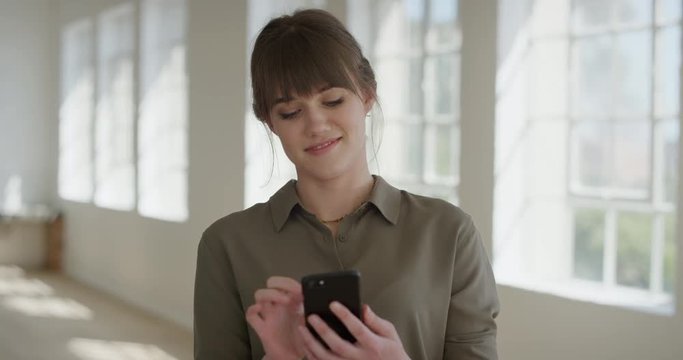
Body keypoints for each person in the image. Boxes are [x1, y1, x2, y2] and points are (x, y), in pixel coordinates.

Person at [194, 8, 499, 360]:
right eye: (291, 112)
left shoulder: (448, 232)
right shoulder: (226, 245)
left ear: (367, 95)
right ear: (269, 122)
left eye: (333, 100)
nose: (316, 125)